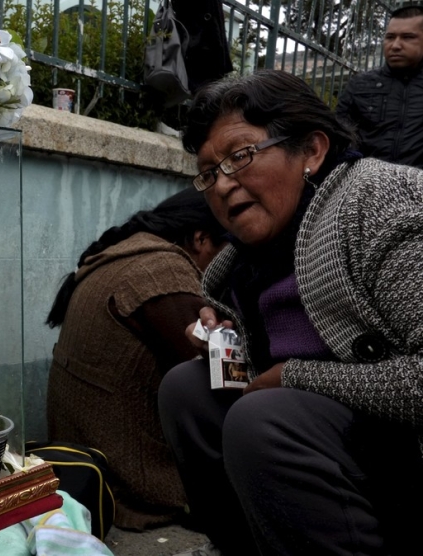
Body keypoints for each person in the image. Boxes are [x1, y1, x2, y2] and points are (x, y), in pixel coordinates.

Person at [158, 69, 423, 556]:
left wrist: (297, 377)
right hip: (339, 445)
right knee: (189, 389)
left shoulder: (380, 200)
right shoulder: (242, 262)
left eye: (240, 156)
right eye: (209, 172)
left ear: (313, 151)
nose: (221, 185)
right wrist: (224, 339)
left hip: (406, 461)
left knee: (263, 418)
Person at [45, 188, 226, 530]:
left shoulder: (130, 254)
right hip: (131, 481)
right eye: (230, 251)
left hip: (88, 456)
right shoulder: (162, 274)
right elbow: (219, 381)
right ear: (202, 238)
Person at [336, 4, 423, 168]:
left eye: (408, 37)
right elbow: (339, 137)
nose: (395, 45)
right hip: (368, 184)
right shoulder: (360, 85)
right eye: (390, 37)